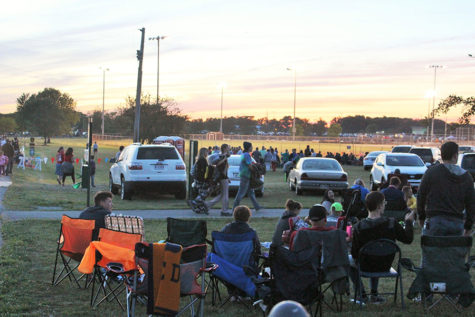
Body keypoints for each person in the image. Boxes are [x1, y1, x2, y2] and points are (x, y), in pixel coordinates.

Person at [350, 191, 414, 303]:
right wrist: (408, 222)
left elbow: (355, 254)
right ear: (379, 205)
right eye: (384, 203)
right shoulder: (392, 223)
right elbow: (408, 239)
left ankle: (362, 294)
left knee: (348, 259)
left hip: (366, 266)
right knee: (376, 254)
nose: (385, 205)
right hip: (385, 264)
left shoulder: (359, 227)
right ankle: (374, 294)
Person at [417, 141, 474, 237]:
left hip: (434, 221)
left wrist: (421, 217)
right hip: (457, 222)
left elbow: (421, 195)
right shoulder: (466, 177)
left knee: (432, 249)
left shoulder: (431, 172)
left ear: (442, 155)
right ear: (455, 156)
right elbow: (471, 204)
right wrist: (468, 226)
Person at [233, 142, 262, 212]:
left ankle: (257, 206)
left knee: (251, 193)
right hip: (245, 176)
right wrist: (256, 170)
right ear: (248, 147)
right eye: (251, 146)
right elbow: (249, 166)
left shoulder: (244, 154)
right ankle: (234, 208)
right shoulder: (247, 155)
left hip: (245, 175)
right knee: (241, 193)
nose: (252, 147)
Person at [206, 144, 231, 216]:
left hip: (223, 177)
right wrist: (224, 158)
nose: (229, 149)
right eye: (227, 148)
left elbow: (229, 155)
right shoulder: (222, 156)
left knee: (222, 195)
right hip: (222, 177)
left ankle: (207, 205)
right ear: (225, 148)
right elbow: (217, 164)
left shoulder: (224, 155)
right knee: (225, 194)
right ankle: (224, 211)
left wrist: (227, 177)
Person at [190, 147, 210, 214]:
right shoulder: (203, 160)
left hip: (197, 179)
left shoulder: (199, 159)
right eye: (206, 152)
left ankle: (199, 208)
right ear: (204, 152)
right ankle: (195, 202)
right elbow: (203, 171)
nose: (207, 153)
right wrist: (205, 179)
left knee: (200, 193)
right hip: (201, 179)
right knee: (203, 193)